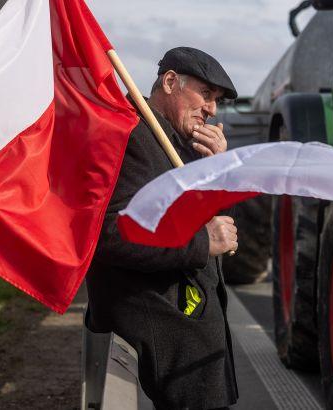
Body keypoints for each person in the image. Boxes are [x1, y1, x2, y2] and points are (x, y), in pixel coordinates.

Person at [86, 47, 240, 409]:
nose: (212, 109)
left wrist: (215, 171)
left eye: (216, 100)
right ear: (171, 82)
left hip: (185, 345)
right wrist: (201, 244)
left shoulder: (179, 144)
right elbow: (111, 232)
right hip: (162, 342)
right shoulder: (132, 135)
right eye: (206, 94)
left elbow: (219, 229)